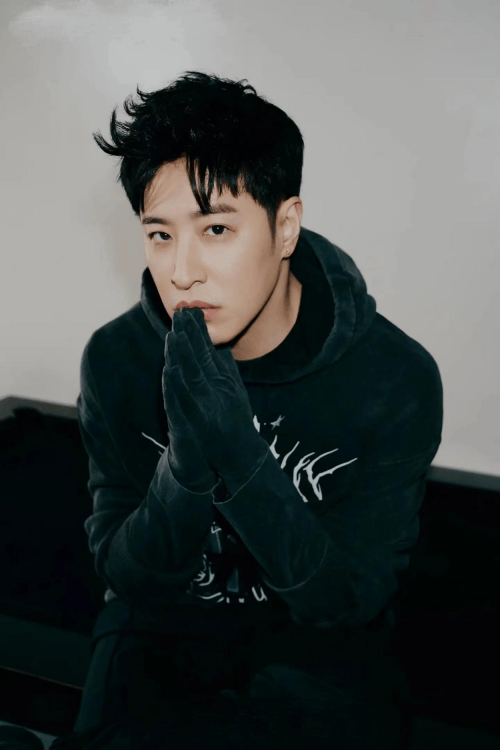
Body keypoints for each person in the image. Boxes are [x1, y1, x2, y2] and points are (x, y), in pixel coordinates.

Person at [52, 70, 443, 749]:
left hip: (319, 651)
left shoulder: (392, 379)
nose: (182, 271)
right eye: (160, 235)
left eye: (216, 228)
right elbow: (127, 577)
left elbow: (344, 604)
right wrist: (186, 470)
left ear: (284, 226)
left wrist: (241, 459)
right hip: (162, 633)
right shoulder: (118, 359)